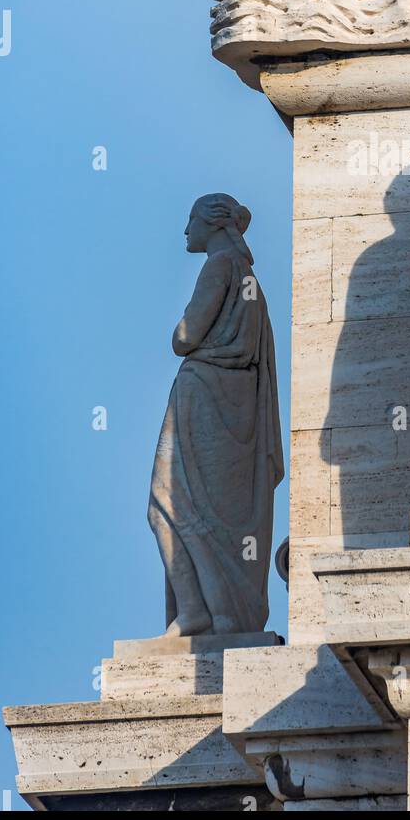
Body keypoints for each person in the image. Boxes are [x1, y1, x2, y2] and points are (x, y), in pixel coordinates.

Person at [148, 193, 283, 636]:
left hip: (202, 394)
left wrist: (182, 335)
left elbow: (184, 336)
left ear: (213, 223)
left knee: (167, 503)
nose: (185, 231)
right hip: (235, 404)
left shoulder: (219, 267)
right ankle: (217, 611)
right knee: (209, 512)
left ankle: (195, 609)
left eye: (191, 220)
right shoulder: (249, 279)